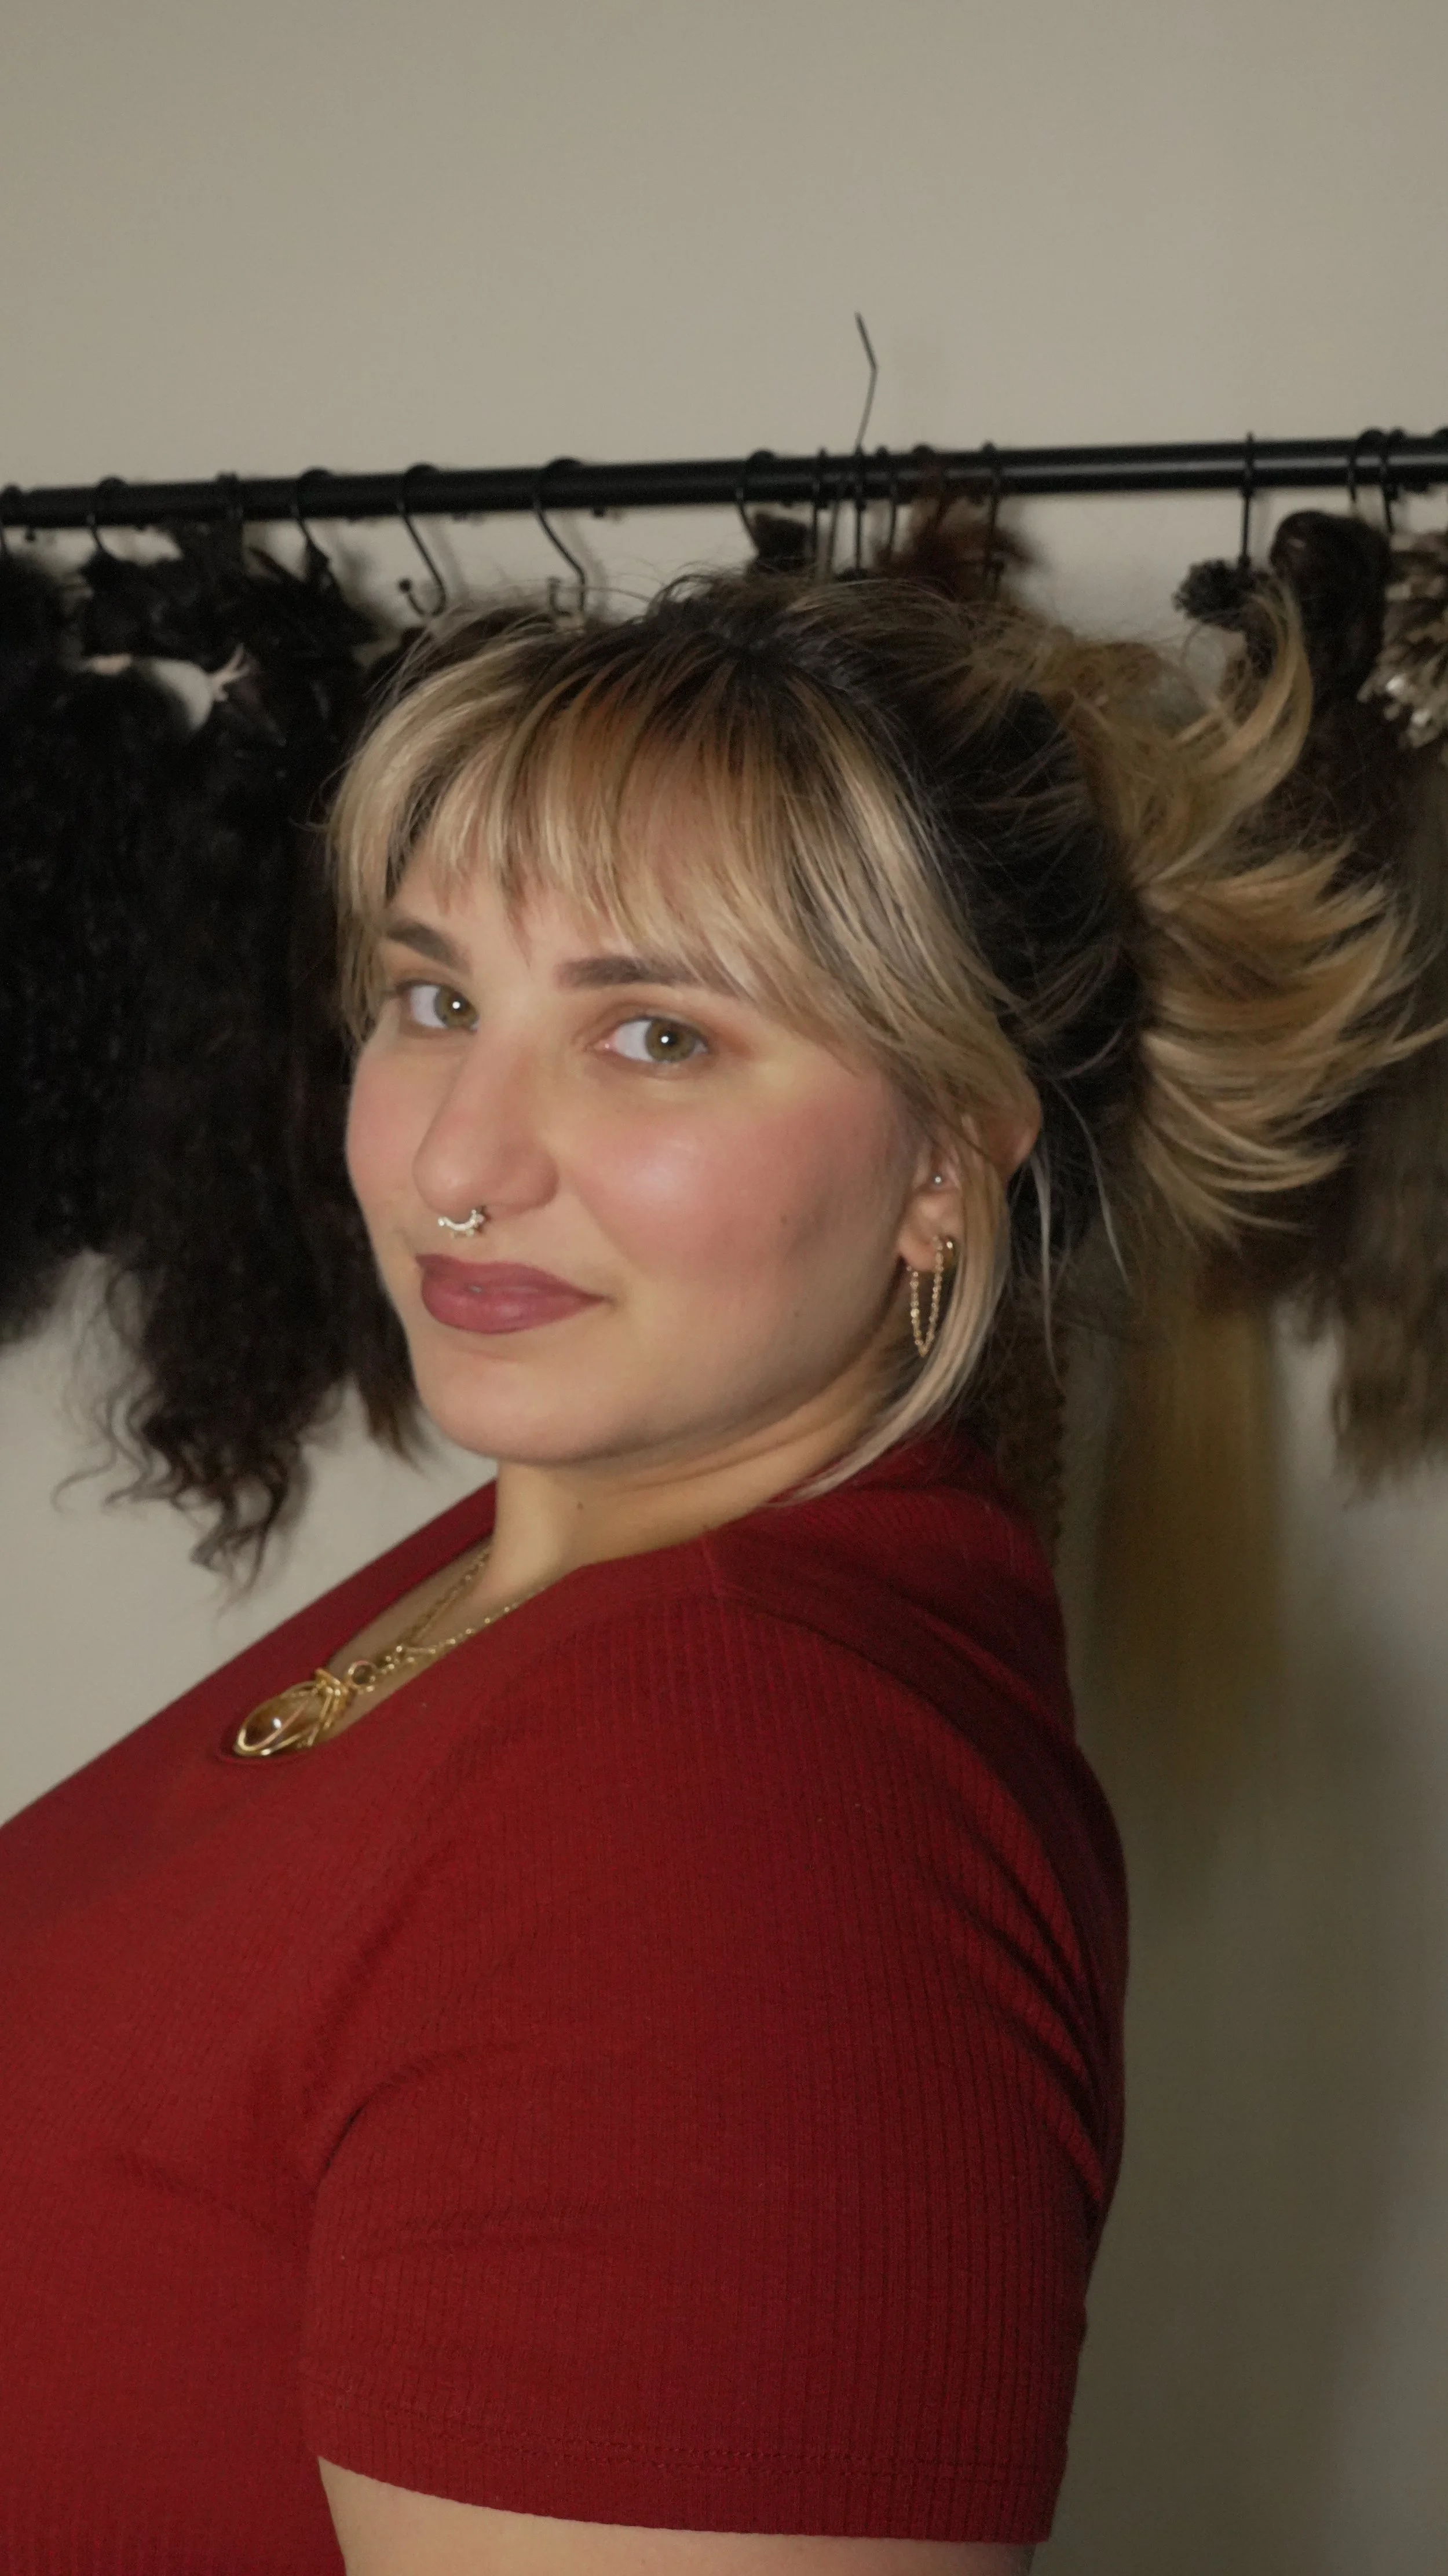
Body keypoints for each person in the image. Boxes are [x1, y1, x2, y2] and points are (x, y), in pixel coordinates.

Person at [0, 566, 1405, 2576]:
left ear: (946, 1152)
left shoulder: (736, 1788)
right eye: (436, 1000)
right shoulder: (552, 1574)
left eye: (653, 1033)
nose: (460, 1158)